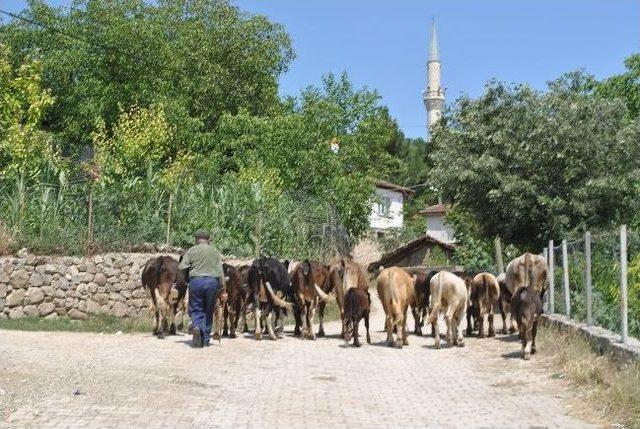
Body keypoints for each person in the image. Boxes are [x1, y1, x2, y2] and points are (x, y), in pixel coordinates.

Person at [178, 230, 225, 347]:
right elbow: (220, 271)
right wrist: (223, 287)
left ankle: (197, 325)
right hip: (212, 282)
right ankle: (205, 339)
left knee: (195, 307)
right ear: (209, 239)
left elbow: (182, 267)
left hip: (196, 281)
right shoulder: (215, 251)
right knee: (209, 310)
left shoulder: (192, 250)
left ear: (196, 239)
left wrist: (185, 280)